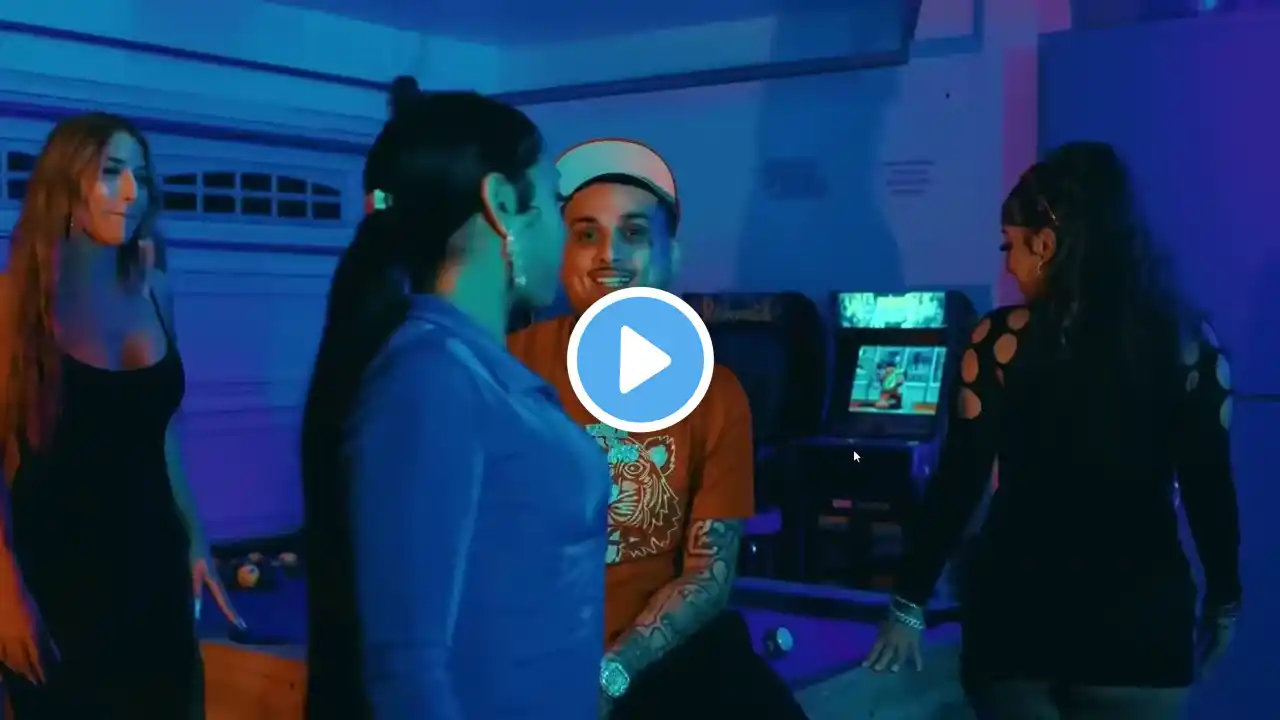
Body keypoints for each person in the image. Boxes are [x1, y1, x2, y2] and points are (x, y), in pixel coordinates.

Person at [864, 142, 1242, 719]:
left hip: (1018, 619)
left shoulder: (998, 342)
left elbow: (959, 483)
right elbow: (1209, 489)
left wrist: (908, 603)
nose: (1008, 266)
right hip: (1139, 622)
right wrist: (1224, 600)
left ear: (1045, 245)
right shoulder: (1190, 344)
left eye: (1010, 246)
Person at [301, 92, 610, 719]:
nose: (562, 230)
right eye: (555, 202)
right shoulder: (431, 377)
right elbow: (407, 668)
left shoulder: (470, 368)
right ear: (502, 204)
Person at [509, 139, 808, 719]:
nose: (609, 255)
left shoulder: (716, 393)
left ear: (673, 253)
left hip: (662, 664)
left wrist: (613, 673)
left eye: (634, 233)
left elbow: (708, 575)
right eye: (586, 234)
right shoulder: (504, 365)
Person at [0, 112, 242, 717]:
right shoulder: (15, 305)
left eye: (141, 175)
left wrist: (195, 536)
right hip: (59, 578)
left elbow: (161, 431)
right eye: (112, 172)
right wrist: (5, 592)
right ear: (63, 183)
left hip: (153, 564)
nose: (133, 191)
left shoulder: (156, 289)